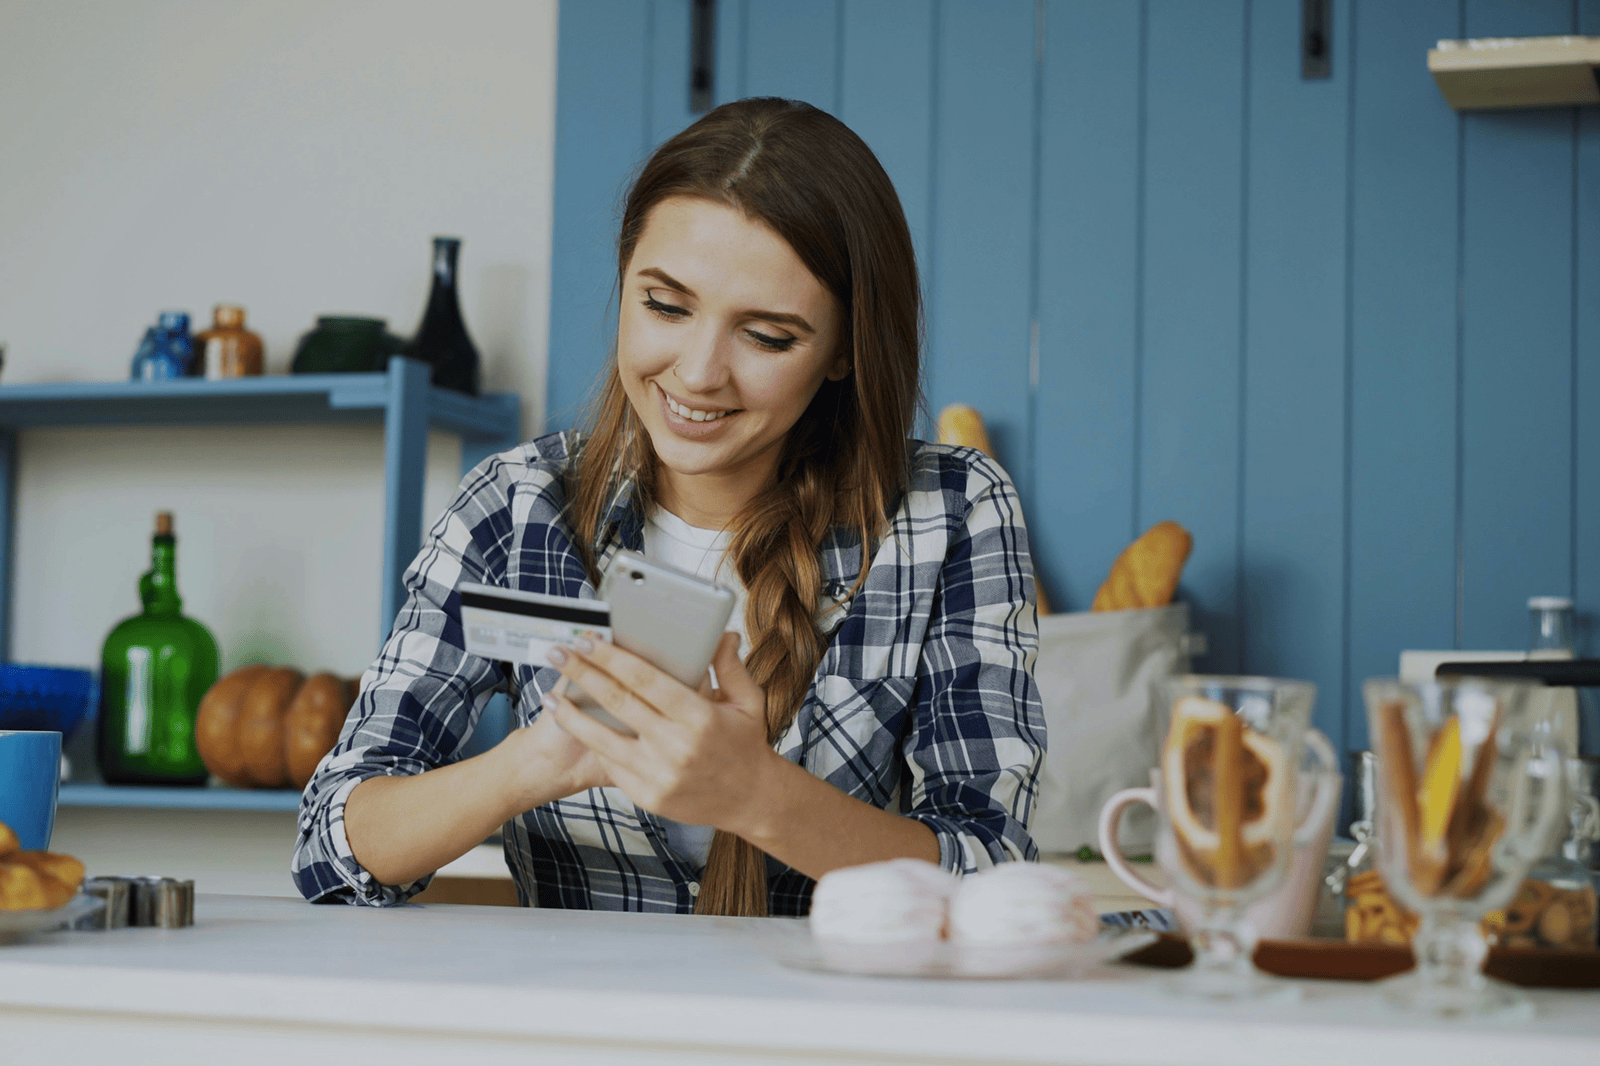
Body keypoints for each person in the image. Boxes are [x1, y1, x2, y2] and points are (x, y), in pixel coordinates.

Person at [292, 97, 1045, 917]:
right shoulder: (515, 506)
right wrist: (537, 761)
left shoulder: (952, 511)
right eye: (666, 306)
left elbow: (992, 872)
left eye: (767, 336)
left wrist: (760, 798)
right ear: (623, 284)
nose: (696, 373)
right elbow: (331, 851)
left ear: (842, 352)